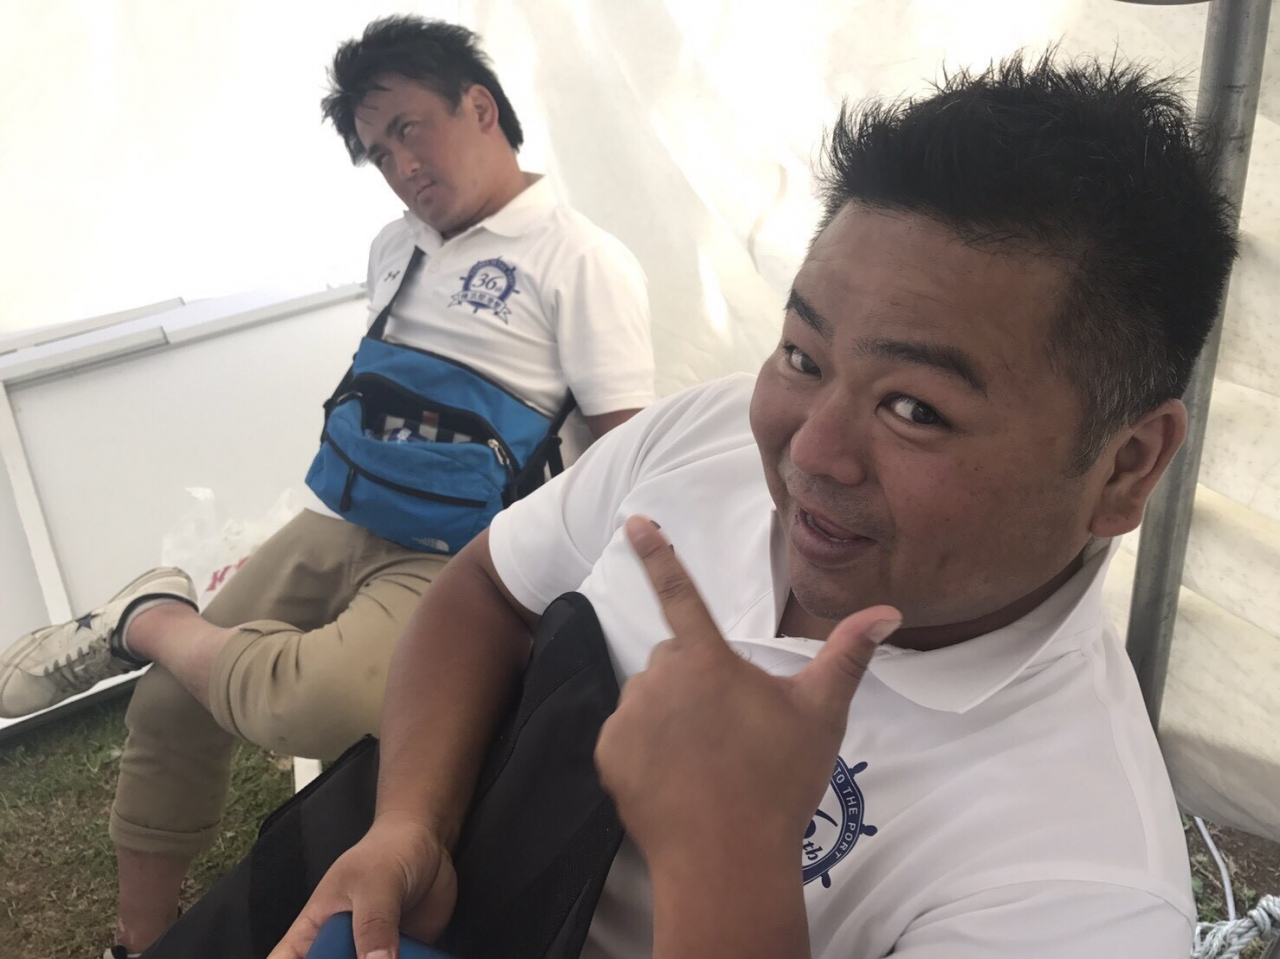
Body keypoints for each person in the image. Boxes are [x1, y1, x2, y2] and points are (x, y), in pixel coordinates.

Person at [268, 52, 1236, 959]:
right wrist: (411, 823)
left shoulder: (1083, 885)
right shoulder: (705, 433)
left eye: (915, 408)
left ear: (1126, 468)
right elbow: (488, 586)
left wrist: (727, 851)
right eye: (802, 355)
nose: (808, 451)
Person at [0, 16, 654, 959]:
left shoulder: (582, 260)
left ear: (480, 107)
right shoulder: (396, 246)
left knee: (311, 702)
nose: (400, 166)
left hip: (457, 556)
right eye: (378, 151)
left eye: (409, 128)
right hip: (341, 516)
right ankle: (138, 943)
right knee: (170, 706)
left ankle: (145, 618)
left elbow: (621, 448)